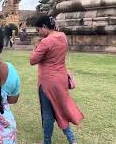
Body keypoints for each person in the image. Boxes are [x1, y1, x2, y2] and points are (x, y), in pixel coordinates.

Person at [29, 16, 83, 144]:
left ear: (44, 27)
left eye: (38, 30)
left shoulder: (46, 42)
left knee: (48, 113)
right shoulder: (63, 36)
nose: (38, 33)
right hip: (61, 78)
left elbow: (33, 60)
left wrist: (36, 46)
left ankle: (47, 141)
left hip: (48, 82)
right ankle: (71, 139)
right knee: (60, 109)